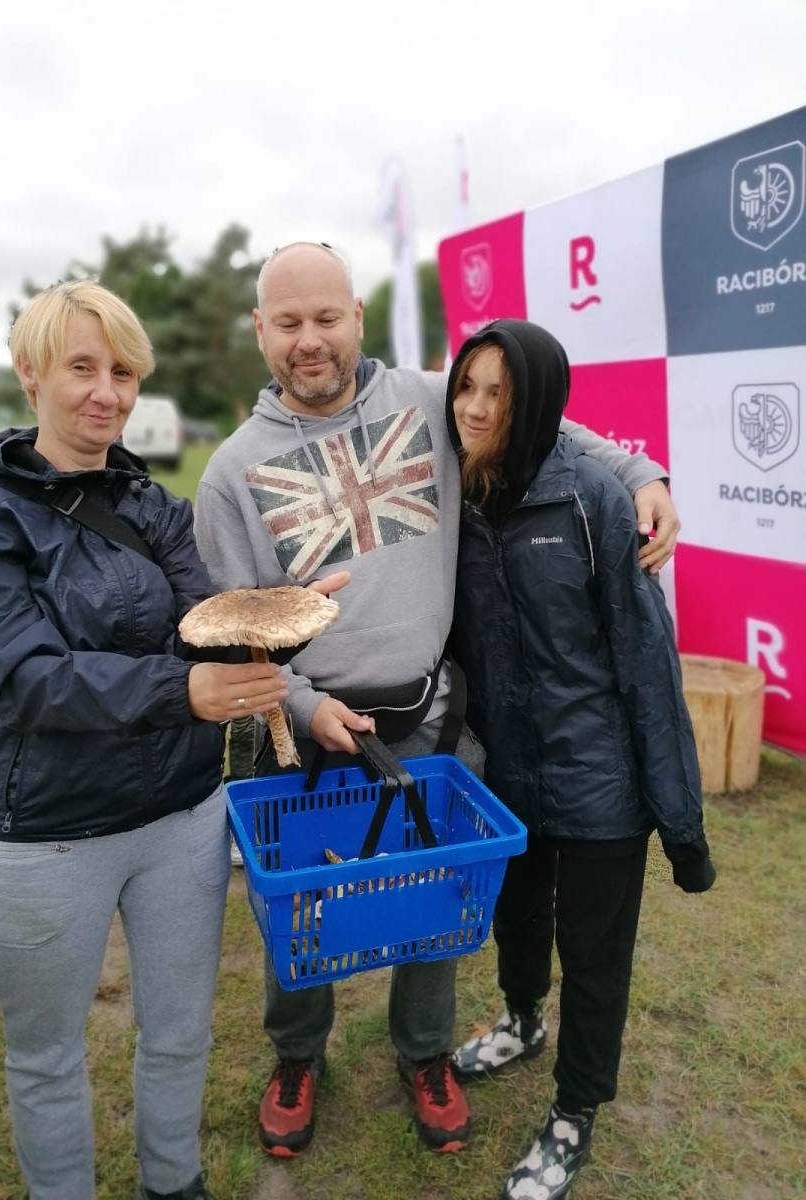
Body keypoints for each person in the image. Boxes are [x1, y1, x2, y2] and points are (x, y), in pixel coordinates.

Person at [193, 242, 682, 1159]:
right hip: (311, 736)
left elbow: (541, 426)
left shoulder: (430, 401)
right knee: (303, 911)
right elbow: (238, 626)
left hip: (429, 718)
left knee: (432, 902)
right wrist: (300, 707)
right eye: (289, 323)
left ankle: (424, 1054)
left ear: (358, 320)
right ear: (260, 330)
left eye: (327, 318)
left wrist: (639, 475)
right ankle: (297, 1057)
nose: (311, 341)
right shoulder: (232, 472)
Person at [0, 280, 342, 1200]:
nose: (106, 392)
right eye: (82, 367)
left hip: (180, 819)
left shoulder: (151, 503)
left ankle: (174, 1182)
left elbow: (206, 617)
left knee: (180, 1030)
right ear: (30, 374)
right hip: (46, 834)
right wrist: (185, 690)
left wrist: (282, 619)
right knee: (45, 1057)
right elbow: (17, 675)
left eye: (122, 371)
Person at [444, 319, 715, 1200]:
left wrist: (680, 826)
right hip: (509, 776)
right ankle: (522, 1020)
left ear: (539, 408)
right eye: (468, 387)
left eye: (501, 394)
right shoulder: (457, 497)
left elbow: (646, 663)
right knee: (517, 920)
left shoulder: (596, 501)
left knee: (596, 956)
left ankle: (574, 1114)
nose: (477, 408)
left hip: (600, 783)